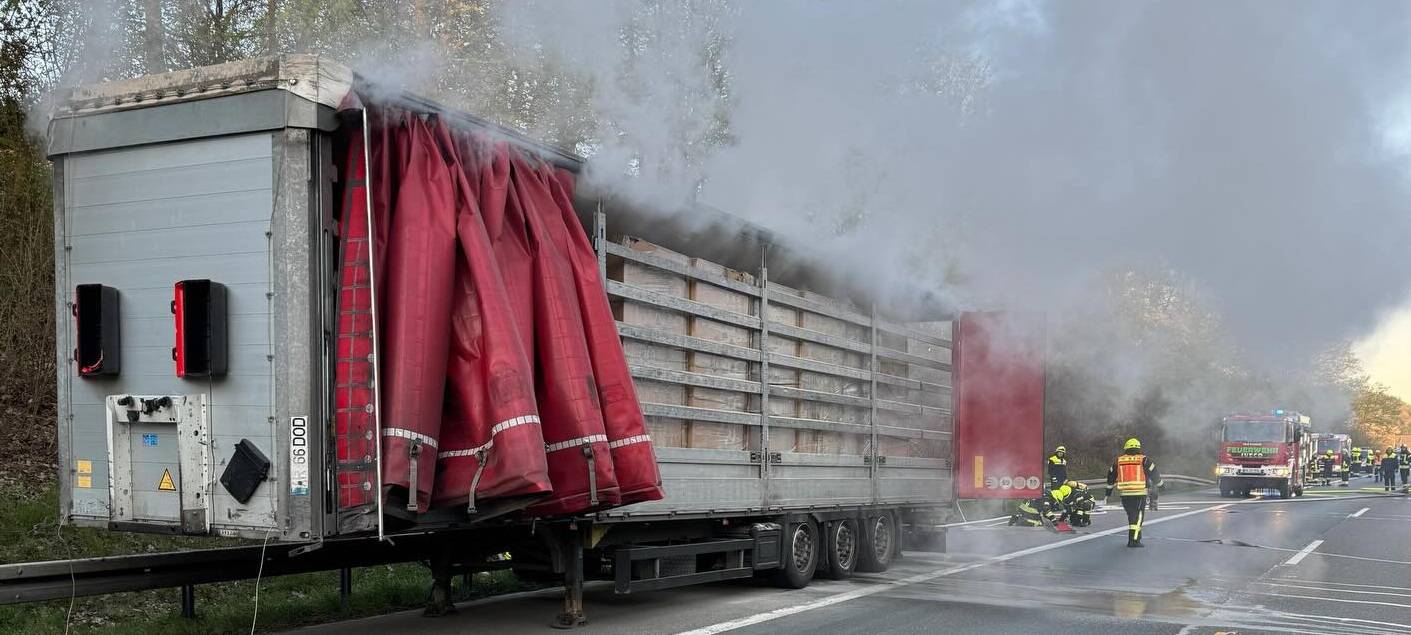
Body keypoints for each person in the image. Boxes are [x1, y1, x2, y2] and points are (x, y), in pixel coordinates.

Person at [1106, 438, 1163, 548]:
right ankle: (1134, 540)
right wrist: (1161, 486)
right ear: (1138, 448)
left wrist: (1107, 493)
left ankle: (1135, 537)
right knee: (1138, 516)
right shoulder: (1144, 460)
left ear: (1126, 448)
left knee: (1132, 515)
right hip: (1139, 493)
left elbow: (1111, 476)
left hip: (1125, 495)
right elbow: (1154, 473)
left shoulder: (1119, 460)